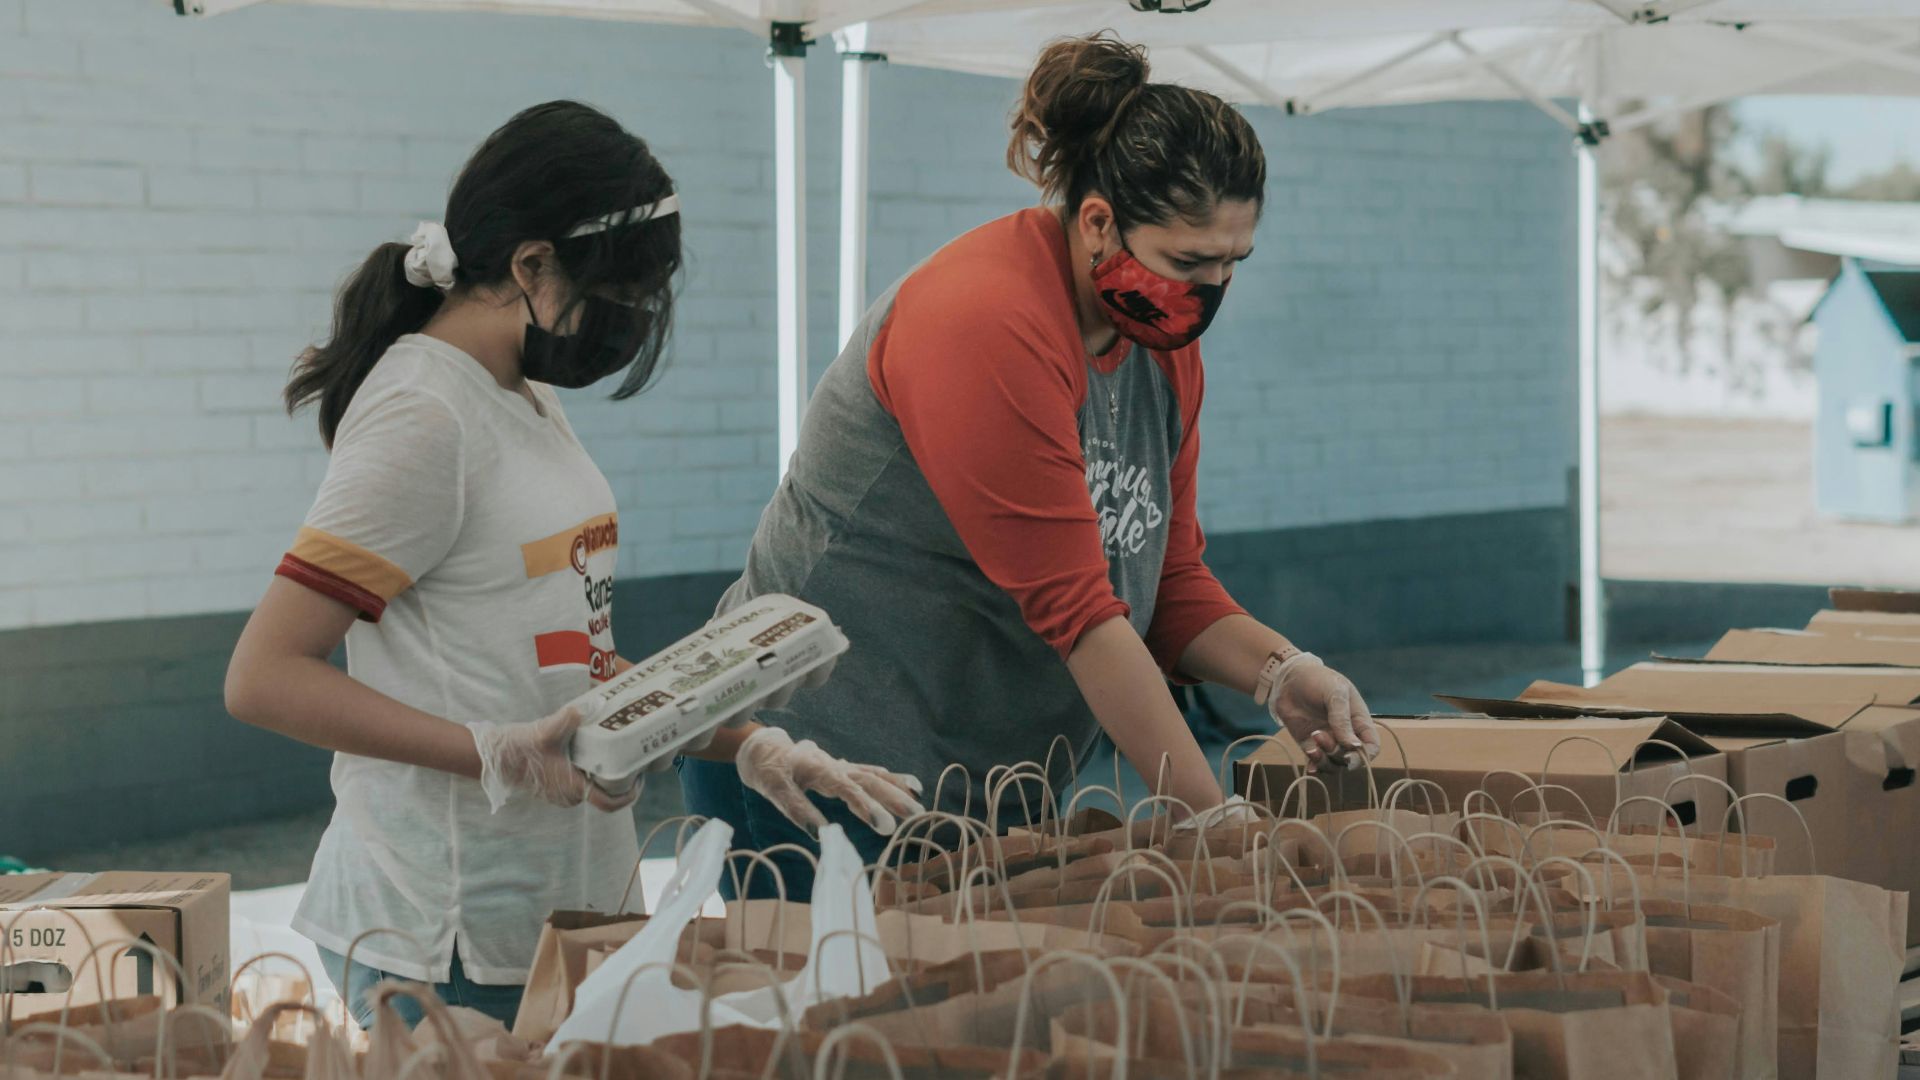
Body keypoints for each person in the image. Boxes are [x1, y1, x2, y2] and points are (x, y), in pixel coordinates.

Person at [224, 101, 920, 1031]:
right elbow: (264, 678)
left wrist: (740, 733)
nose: (631, 323)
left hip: (565, 910)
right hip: (450, 936)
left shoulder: (522, 393)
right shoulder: (423, 414)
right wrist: (491, 751)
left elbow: (567, 668)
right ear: (530, 266)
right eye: (621, 295)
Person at [678, 33, 1381, 901]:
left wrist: (1282, 671)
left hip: (977, 779)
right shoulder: (985, 322)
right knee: (833, 1020)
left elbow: (1166, 577)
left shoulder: (1160, 347)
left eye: (1233, 264)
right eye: (1188, 262)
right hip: (820, 759)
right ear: (1097, 222)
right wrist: (1215, 820)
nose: (1209, 293)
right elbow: (1081, 614)